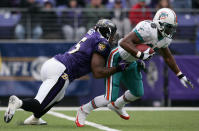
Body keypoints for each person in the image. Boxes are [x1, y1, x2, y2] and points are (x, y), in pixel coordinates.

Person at [75, 8, 194, 127]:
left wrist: (180, 75)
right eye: (169, 27)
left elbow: (168, 57)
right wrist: (140, 55)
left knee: (137, 92)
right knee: (109, 98)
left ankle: (117, 105)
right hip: (117, 58)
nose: (170, 31)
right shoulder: (147, 28)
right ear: (159, 23)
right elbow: (123, 42)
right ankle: (83, 110)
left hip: (132, 61)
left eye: (172, 28)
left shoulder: (165, 38)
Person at [4, 19, 129, 125]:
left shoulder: (92, 34)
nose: (113, 37)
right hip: (61, 71)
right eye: (112, 34)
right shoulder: (102, 42)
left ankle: (34, 119)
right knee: (39, 103)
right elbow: (97, 72)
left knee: (59, 95)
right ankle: (18, 103)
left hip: (52, 64)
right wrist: (119, 68)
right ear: (106, 32)